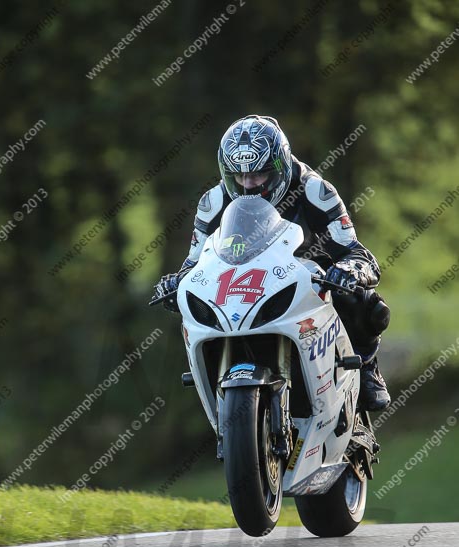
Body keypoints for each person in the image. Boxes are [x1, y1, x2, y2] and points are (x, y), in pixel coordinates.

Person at [152, 114, 390, 411]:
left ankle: (365, 367)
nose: (248, 184)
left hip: (307, 281)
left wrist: (349, 271)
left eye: (258, 174)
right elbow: (194, 264)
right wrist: (176, 282)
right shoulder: (212, 203)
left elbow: (356, 253)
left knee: (367, 303)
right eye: (239, 176)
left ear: (279, 166)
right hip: (240, 286)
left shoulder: (316, 191)